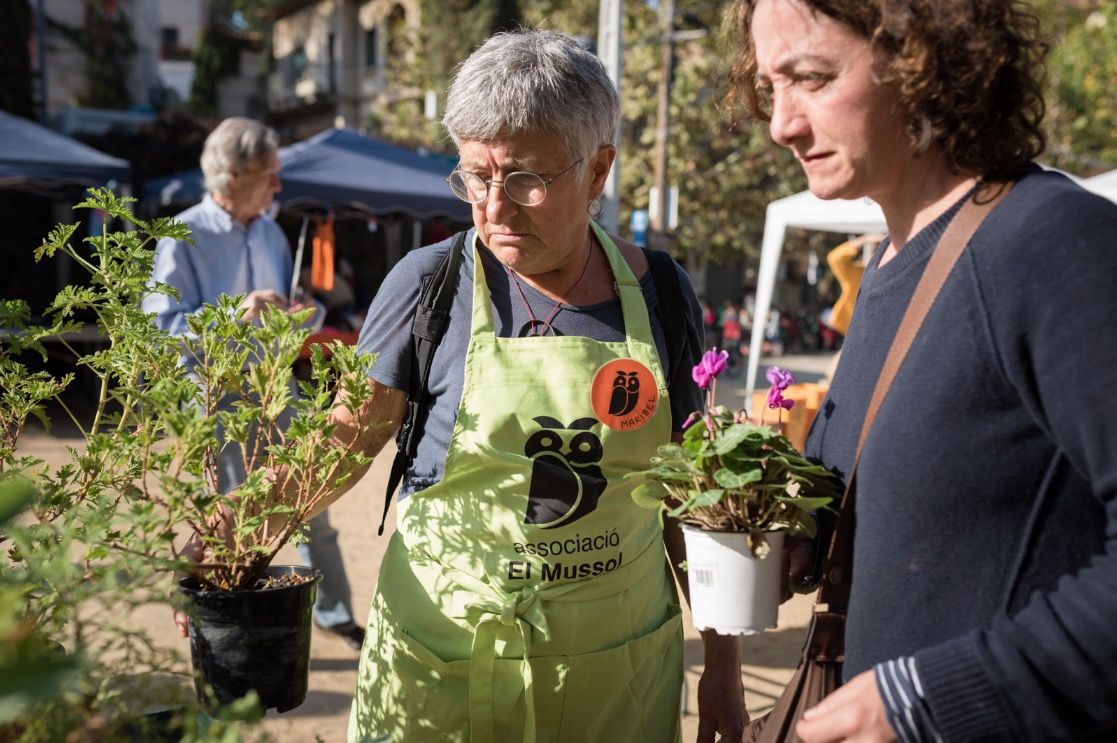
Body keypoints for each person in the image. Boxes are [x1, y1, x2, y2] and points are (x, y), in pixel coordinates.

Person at [180, 30, 744, 741]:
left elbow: (690, 494)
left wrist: (722, 662)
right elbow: (347, 434)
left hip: (612, 675)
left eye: (524, 179)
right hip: (440, 662)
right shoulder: (428, 284)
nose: (494, 209)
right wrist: (237, 526)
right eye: (476, 176)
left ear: (597, 170)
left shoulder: (660, 293)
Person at [731, 1, 1117, 741]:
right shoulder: (892, 257)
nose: (780, 123)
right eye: (767, 86)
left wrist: (930, 696)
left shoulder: (1051, 243)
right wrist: (800, 535)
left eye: (810, 78)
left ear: (920, 57)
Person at [144, 117, 366, 650]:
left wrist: (305, 314)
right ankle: (228, 637)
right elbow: (160, 331)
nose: (278, 186)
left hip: (275, 390)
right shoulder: (183, 234)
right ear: (235, 173)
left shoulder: (271, 230)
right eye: (270, 174)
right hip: (216, 399)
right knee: (226, 519)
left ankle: (334, 613)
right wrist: (234, 315)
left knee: (310, 502)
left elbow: (291, 318)